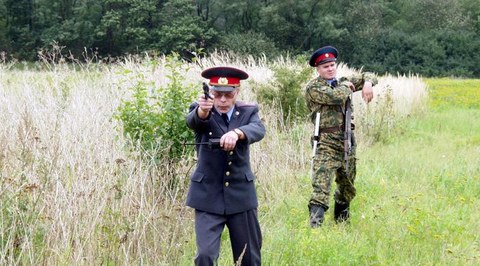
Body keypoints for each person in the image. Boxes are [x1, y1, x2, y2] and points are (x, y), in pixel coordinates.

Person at [186, 66, 266, 265]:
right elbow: (194, 121)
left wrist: (237, 133)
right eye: (217, 94)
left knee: (249, 256)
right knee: (205, 255)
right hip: (207, 195)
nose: (222, 100)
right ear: (211, 93)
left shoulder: (248, 112)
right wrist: (203, 110)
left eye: (228, 95)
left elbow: (258, 129)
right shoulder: (203, 110)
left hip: (240, 194)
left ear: (237, 92)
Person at [304, 45, 377, 228]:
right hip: (326, 143)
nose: (330, 69)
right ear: (318, 69)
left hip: (346, 141)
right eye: (325, 66)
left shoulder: (343, 81)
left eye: (332, 65)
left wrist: (367, 84)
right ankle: (315, 230)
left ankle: (341, 224)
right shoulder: (314, 87)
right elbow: (336, 96)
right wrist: (347, 85)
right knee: (321, 187)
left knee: (347, 186)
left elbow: (371, 75)